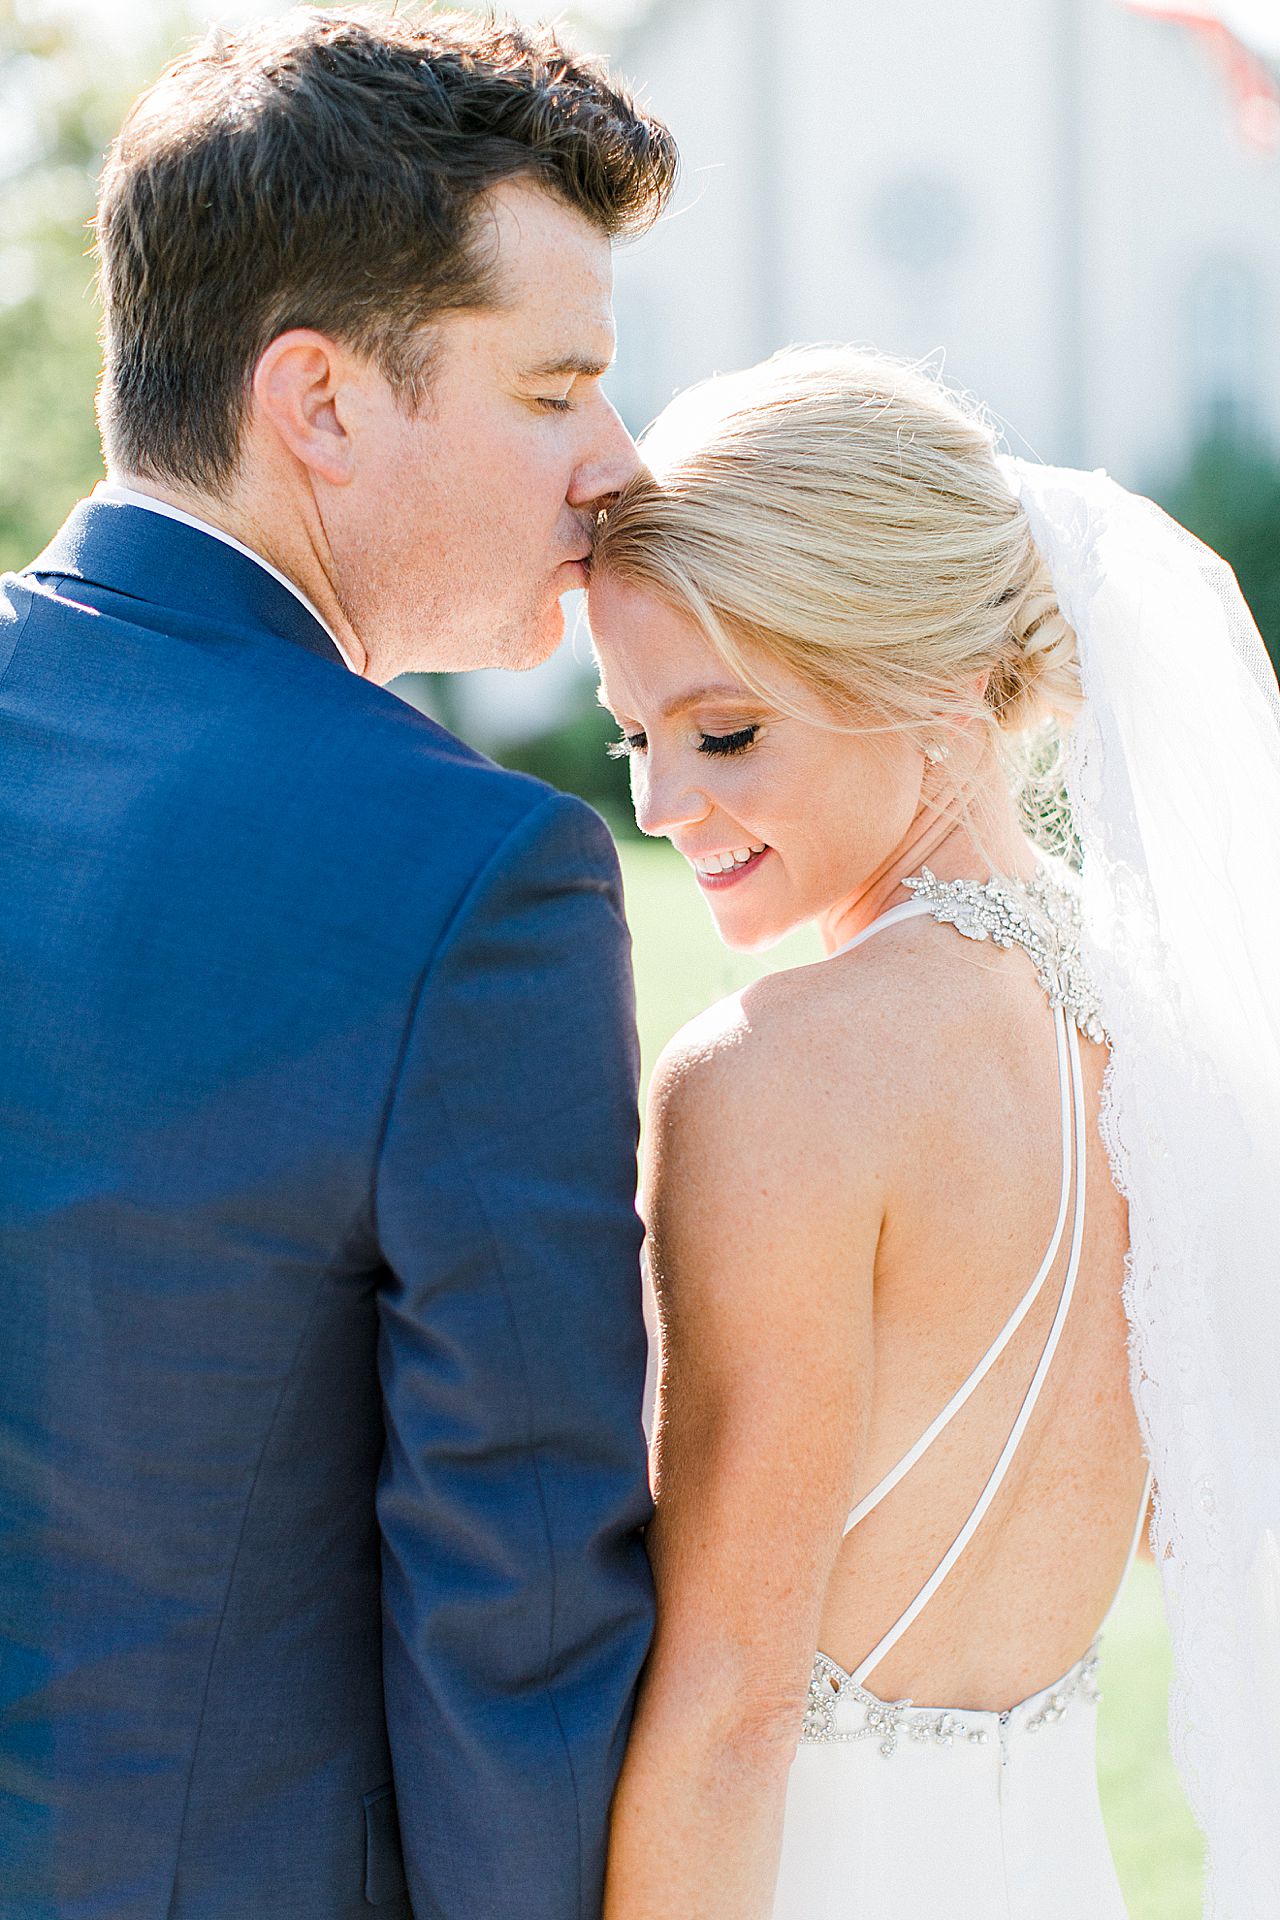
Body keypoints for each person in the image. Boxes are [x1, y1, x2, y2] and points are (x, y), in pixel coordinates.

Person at [0, 12, 676, 1918]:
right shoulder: (467, 879)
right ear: (318, 399)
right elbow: (522, 1612)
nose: (613, 464)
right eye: (558, 388)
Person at [587, 346, 1280, 1917]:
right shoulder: (1169, 1040)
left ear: (941, 689)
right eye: (637, 736)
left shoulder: (776, 1082)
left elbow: (731, 1718)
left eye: (726, 731)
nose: (661, 801)